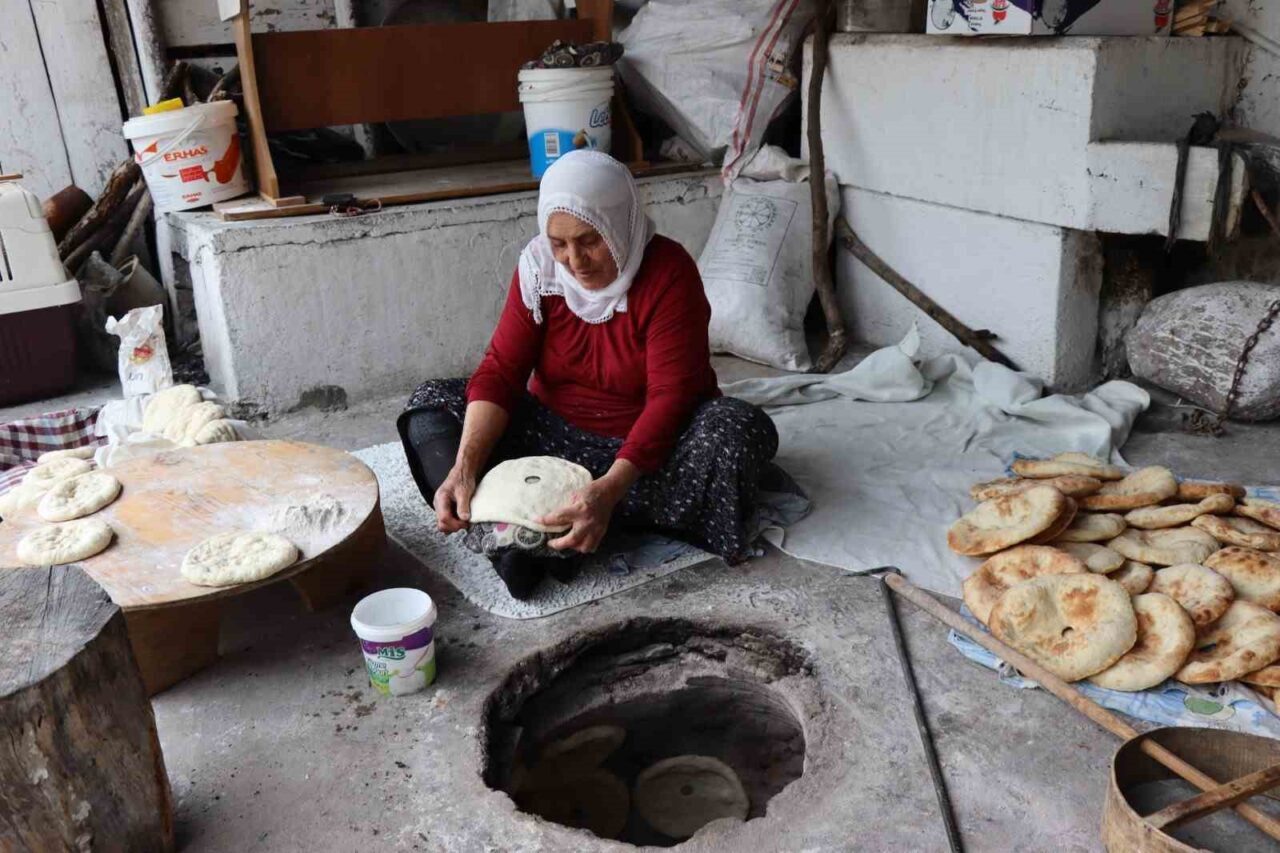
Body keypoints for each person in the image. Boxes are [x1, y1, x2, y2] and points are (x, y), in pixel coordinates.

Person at [398, 150, 778, 599]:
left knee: (735, 431)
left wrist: (611, 487)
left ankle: (545, 528)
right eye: (559, 243)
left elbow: (670, 397)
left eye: (590, 240)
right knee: (434, 403)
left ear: (619, 224)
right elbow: (502, 371)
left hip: (647, 453)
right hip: (554, 438)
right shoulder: (540, 268)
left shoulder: (668, 273)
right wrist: (464, 467)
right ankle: (500, 527)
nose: (575, 260)